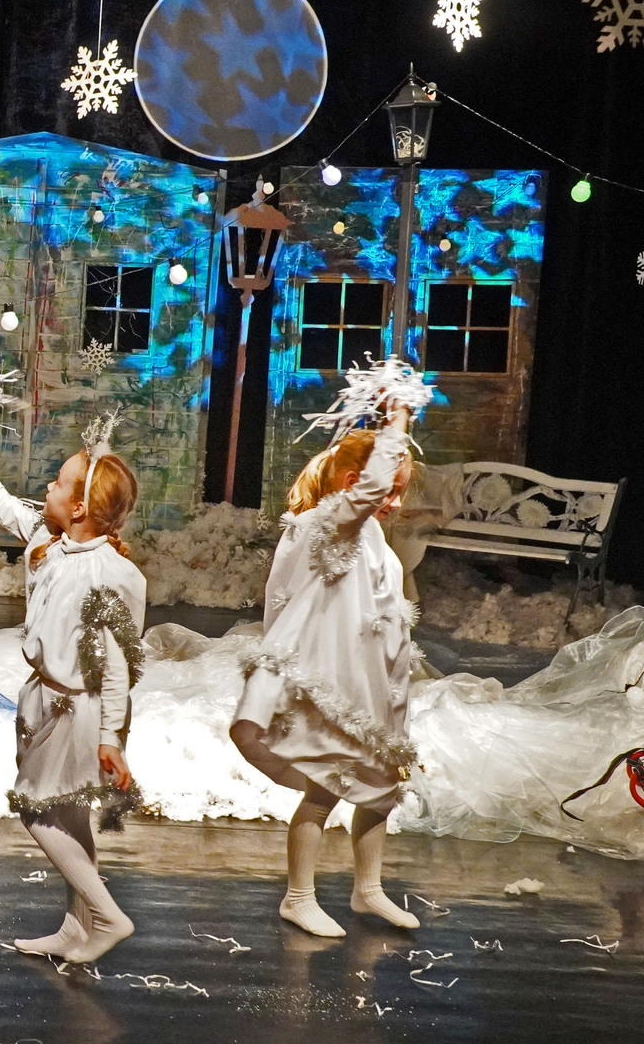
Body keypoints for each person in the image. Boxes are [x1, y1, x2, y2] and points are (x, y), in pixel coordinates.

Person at [0, 400, 146, 964]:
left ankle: (106, 916)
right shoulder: (49, 540)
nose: (46, 489)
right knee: (69, 813)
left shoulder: (111, 573)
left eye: (58, 483)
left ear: (80, 506)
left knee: (36, 809)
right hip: (45, 698)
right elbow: (0, 501)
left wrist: (110, 737)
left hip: (77, 709)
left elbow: (118, 666)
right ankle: (76, 928)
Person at [230, 396, 422, 937]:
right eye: (389, 489)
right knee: (325, 789)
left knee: (382, 784)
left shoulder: (367, 532)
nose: (394, 503)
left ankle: (369, 889)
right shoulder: (330, 524)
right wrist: (397, 425)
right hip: (335, 680)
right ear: (355, 483)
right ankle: (298, 896)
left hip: (373, 680)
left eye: (400, 492)